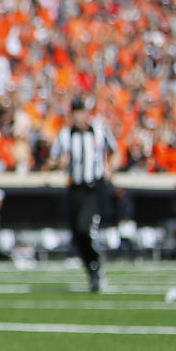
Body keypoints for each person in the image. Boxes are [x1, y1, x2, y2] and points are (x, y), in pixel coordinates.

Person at [50, 98, 117, 292]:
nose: (79, 116)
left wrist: (109, 168)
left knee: (85, 228)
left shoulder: (99, 130)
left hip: (93, 188)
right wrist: (58, 163)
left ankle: (96, 265)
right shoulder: (65, 135)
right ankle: (92, 269)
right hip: (75, 189)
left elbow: (115, 152)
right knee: (77, 234)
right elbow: (52, 160)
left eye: (82, 112)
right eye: (76, 112)